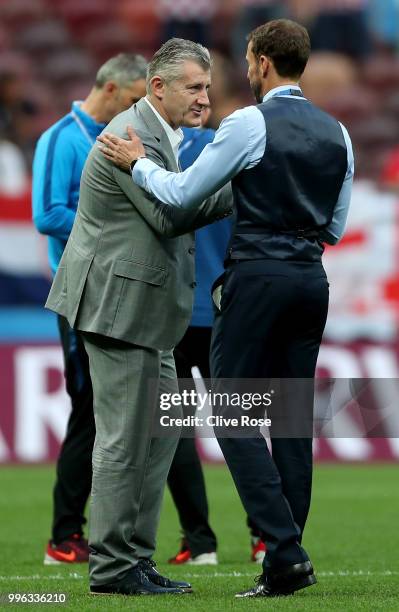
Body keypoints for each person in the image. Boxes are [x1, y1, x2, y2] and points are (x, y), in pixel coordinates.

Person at [98, 19, 354, 598]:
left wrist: (137, 162)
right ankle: (283, 560)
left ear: (260, 61)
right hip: (311, 278)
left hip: (257, 277)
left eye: (246, 58)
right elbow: (335, 226)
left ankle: (285, 552)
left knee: (234, 415)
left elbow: (183, 193)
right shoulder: (339, 132)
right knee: (291, 421)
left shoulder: (248, 122)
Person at [45, 38, 232, 596]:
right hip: (118, 308)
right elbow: (167, 214)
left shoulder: (158, 134)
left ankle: (136, 557)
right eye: (194, 87)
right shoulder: (126, 135)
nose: (204, 98)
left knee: (161, 438)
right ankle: (111, 568)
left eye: (206, 87)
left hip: (151, 311)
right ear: (158, 87)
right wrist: (239, 184)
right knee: (126, 440)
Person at [32, 53, 148, 565]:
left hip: (115, 290)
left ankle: (96, 530)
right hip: (79, 291)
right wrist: (108, 222)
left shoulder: (114, 138)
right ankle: (64, 534)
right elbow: (47, 213)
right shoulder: (63, 137)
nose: (139, 109)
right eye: (134, 99)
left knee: (110, 415)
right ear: (109, 88)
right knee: (88, 411)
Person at [169, 120, 266, 566]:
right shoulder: (235, 149)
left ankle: (199, 542)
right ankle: (265, 535)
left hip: (170, 310)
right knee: (241, 422)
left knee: (174, 428)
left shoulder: (151, 153)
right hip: (225, 307)